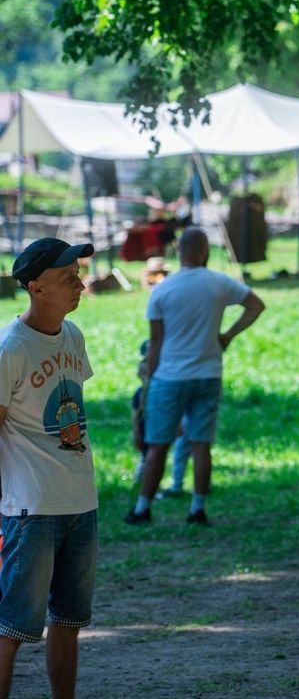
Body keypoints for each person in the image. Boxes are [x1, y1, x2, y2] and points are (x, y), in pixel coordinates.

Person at [0, 237, 98, 699]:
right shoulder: (9, 348)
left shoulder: (73, 335)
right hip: (31, 509)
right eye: (68, 278)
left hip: (81, 502)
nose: (80, 284)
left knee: (69, 621)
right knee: (12, 629)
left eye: (78, 274)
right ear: (36, 288)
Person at [125, 227, 265, 526]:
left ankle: (142, 508)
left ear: (179, 251)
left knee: (158, 444)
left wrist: (148, 378)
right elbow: (256, 305)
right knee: (201, 444)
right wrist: (228, 335)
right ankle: (197, 508)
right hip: (208, 373)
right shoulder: (219, 283)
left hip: (170, 376)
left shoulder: (162, 289)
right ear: (204, 251)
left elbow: (157, 341)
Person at [131, 340, 190, 492]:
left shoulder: (159, 391)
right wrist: (136, 430)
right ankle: (144, 481)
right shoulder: (141, 394)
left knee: (157, 451)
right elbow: (136, 413)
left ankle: (154, 483)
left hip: (157, 417)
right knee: (149, 453)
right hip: (147, 419)